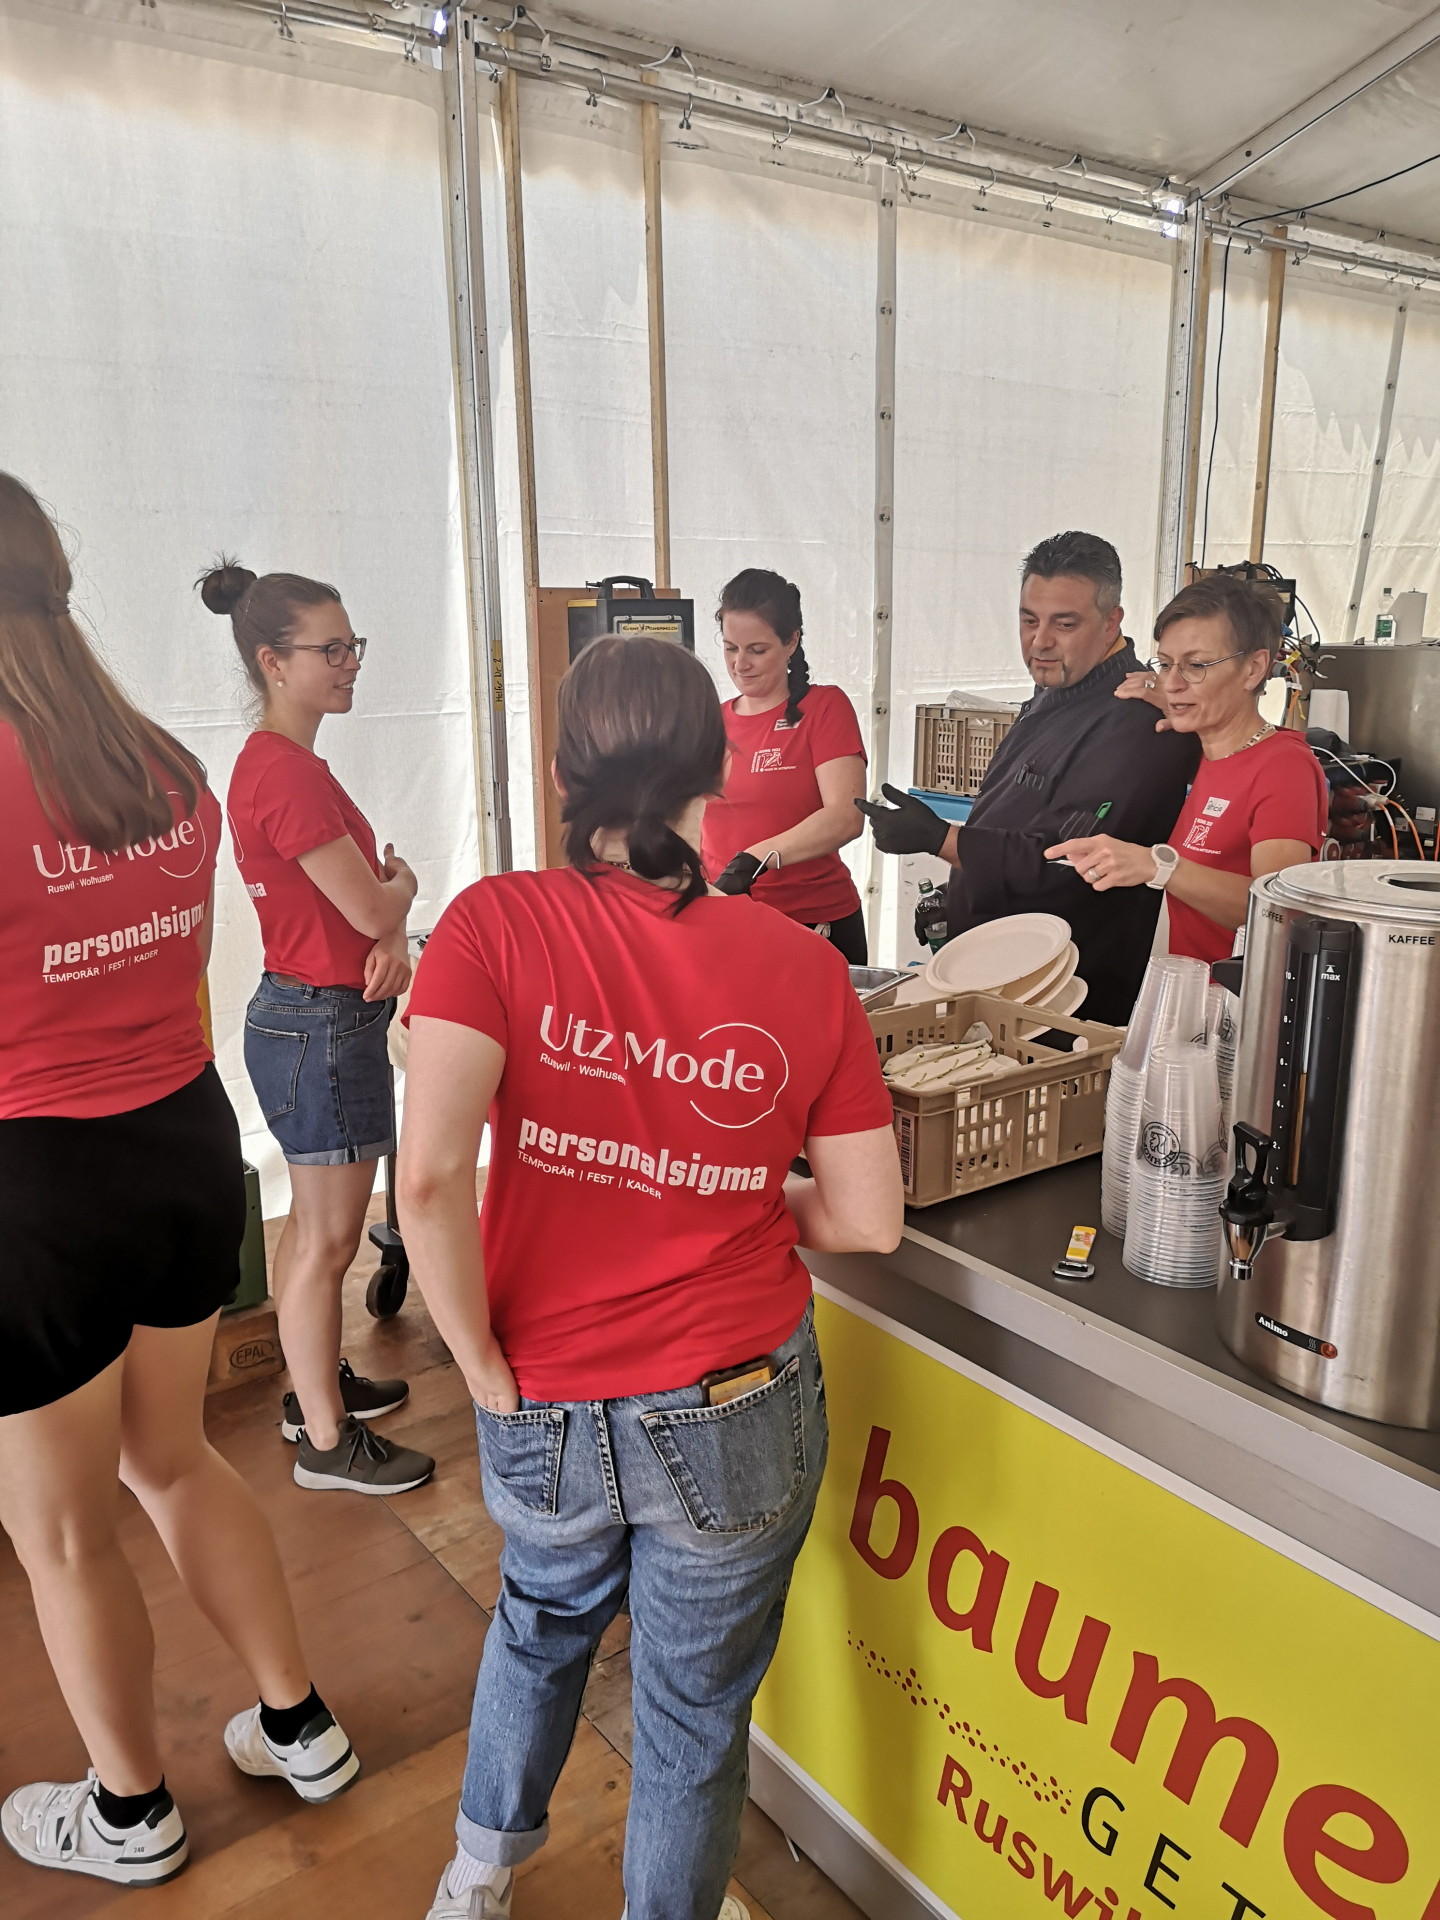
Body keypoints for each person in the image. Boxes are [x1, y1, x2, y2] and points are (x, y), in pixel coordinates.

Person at [397, 636, 903, 1920]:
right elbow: (867, 1220)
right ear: (717, 771)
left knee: (537, 1627)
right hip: (734, 1398)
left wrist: (478, 1364)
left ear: (563, 769)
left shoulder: (492, 923)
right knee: (691, 1712)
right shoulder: (802, 966)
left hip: (541, 1389)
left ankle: (474, 1881)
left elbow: (431, 1180)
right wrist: (727, 1189)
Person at [0, 476, 360, 1890]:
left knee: (59, 1529)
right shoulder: (162, 762)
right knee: (172, 1456)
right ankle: (300, 1725)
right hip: (183, 1146)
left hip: (37, 1185)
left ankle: (130, 1812)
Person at [201, 561, 434, 1496]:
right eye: (329, 650)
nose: (349, 663)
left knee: (313, 1234)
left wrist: (390, 936)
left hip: (318, 1013)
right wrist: (404, 893)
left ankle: (315, 1391)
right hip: (319, 1025)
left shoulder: (284, 765)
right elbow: (373, 899)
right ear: (273, 661)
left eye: (352, 645)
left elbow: (360, 915)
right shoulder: (286, 773)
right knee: (328, 1242)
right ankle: (328, 1445)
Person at [858, 531, 1200, 1025]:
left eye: (1064, 623)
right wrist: (957, 894)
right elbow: (1019, 815)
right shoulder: (1055, 688)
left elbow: (1067, 861)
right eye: (1029, 620)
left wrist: (941, 839)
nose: (1040, 641)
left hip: (1065, 999)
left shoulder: (1136, 721)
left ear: (1111, 622)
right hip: (996, 974)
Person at [1046, 571, 1327, 960]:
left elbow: (1278, 909)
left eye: (1196, 665)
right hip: (1189, 982)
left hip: (1240, 991)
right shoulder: (1209, 752)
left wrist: (1157, 866)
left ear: (1253, 668)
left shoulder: (1284, 768)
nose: (1172, 683)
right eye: (1165, 664)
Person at [701, 568, 870, 963]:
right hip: (726, 919)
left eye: (757, 650)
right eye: (730, 648)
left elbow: (846, 816)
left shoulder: (824, 708)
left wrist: (753, 859)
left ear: (791, 641)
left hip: (812, 921)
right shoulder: (710, 721)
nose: (740, 663)